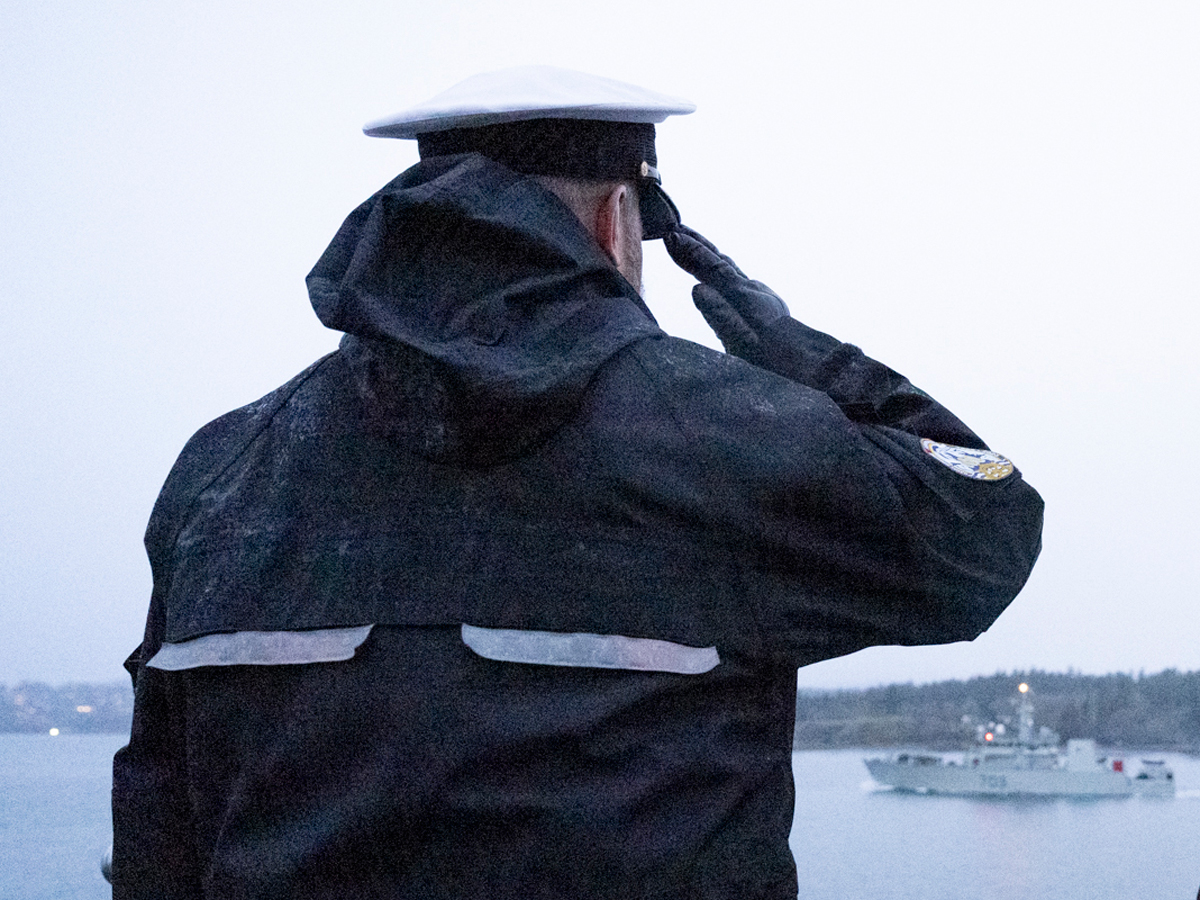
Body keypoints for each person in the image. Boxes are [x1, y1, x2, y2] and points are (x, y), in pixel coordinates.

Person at [112, 66, 1044, 899]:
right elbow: (984, 532)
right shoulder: (723, 435)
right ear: (614, 221)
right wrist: (784, 344)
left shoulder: (224, 467)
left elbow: (157, 817)